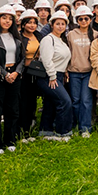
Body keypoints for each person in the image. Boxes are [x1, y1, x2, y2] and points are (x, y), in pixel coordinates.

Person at [0, 7, 24, 154]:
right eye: (4, 18)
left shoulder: (16, 37)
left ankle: (10, 140)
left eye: (10, 19)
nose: (7, 21)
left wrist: (16, 72)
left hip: (15, 75)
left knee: (13, 109)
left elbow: (22, 58)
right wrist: (5, 74)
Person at [35, 10, 73, 141]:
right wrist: (52, 76)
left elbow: (63, 59)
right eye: (58, 24)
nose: (60, 26)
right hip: (49, 76)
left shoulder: (61, 40)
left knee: (51, 103)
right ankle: (63, 132)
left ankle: (45, 131)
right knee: (65, 101)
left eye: (63, 24)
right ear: (52, 25)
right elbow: (46, 59)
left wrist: (65, 71)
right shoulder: (48, 39)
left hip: (59, 75)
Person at [66, 6, 96, 136]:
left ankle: (85, 128)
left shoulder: (95, 34)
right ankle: (74, 125)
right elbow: (67, 53)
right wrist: (66, 69)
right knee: (75, 101)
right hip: (74, 72)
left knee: (86, 101)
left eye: (86, 18)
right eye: (81, 19)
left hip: (89, 72)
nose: (83, 21)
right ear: (77, 20)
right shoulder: (71, 34)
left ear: (90, 19)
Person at [17, 9, 42, 140]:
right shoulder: (18, 37)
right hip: (23, 73)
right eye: (29, 22)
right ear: (23, 24)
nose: (32, 25)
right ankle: (21, 131)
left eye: (34, 23)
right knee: (23, 102)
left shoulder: (39, 36)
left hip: (35, 72)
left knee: (32, 102)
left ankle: (28, 131)